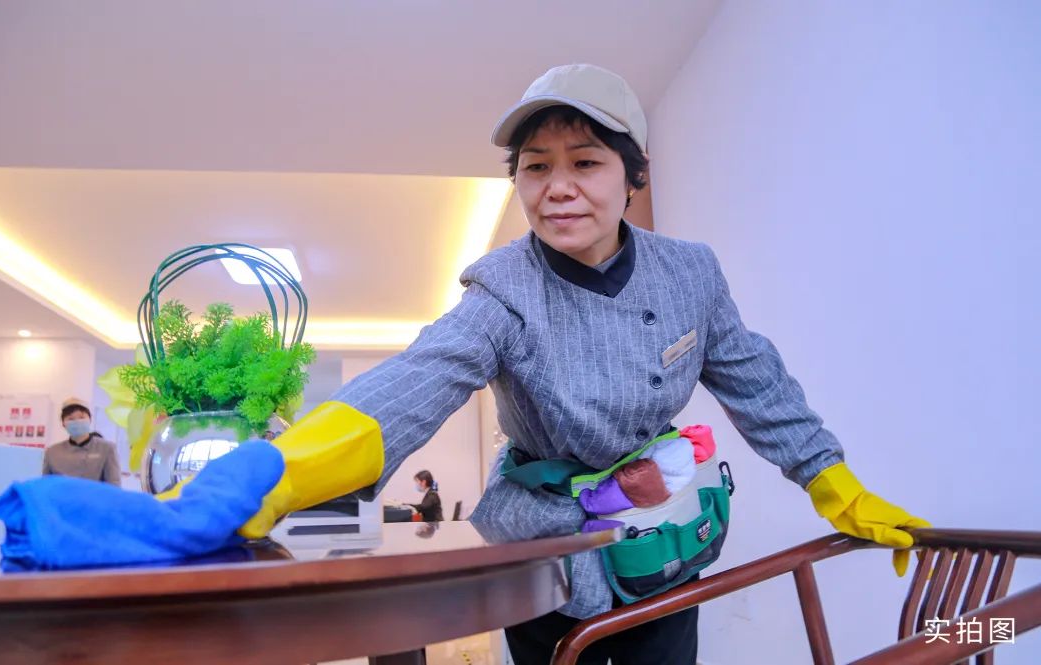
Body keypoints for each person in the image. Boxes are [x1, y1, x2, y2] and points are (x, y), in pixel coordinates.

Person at [233, 64, 928, 664]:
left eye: (586, 162)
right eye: (536, 166)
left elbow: (756, 382)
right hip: (543, 550)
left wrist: (831, 480)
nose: (558, 187)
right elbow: (417, 380)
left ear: (633, 175)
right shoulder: (502, 288)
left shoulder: (690, 272)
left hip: (661, 530)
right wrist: (279, 476)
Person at [42, 398, 121, 486]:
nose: (77, 421)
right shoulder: (52, 452)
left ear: (90, 419)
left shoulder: (107, 448)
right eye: (70, 418)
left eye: (81, 417)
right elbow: (45, 485)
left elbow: (114, 485)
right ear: (63, 424)